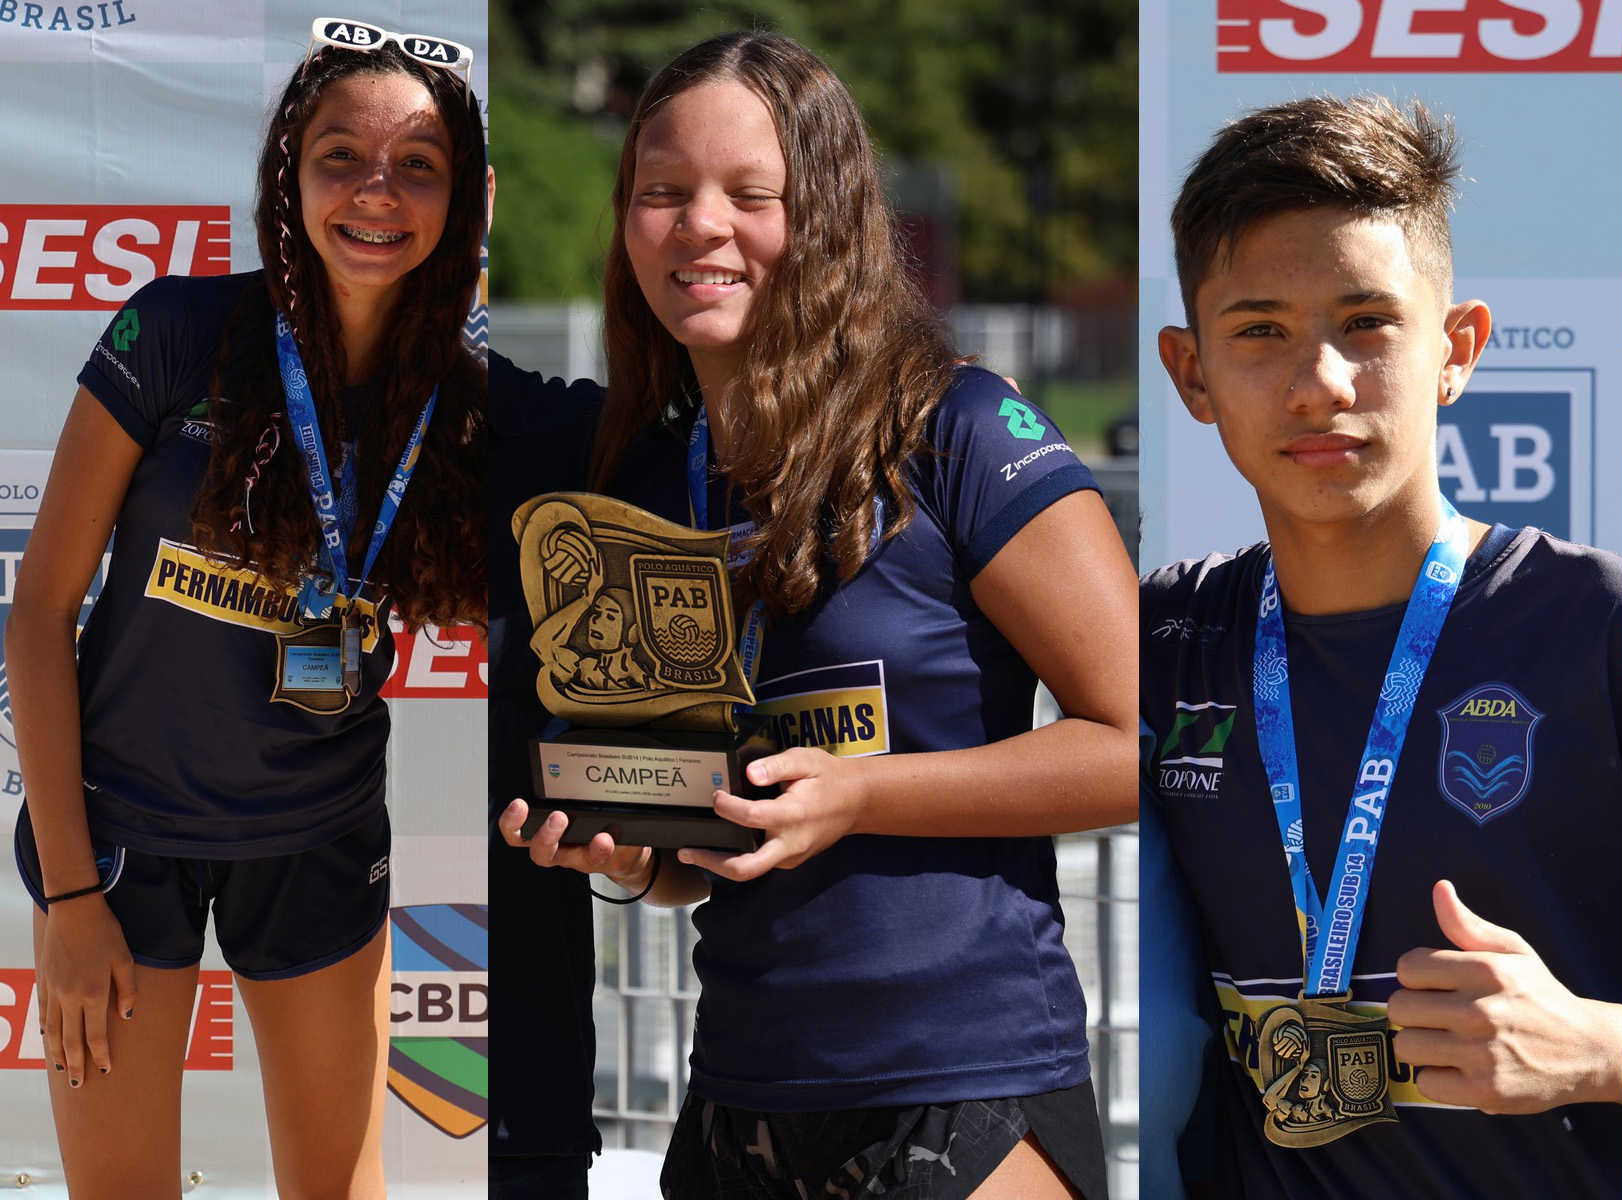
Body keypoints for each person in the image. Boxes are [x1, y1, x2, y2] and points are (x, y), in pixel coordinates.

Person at [493, 31, 1136, 1200]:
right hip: (742, 1099)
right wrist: (635, 858)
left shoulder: (960, 429)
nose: (699, 226)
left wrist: (863, 794)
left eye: (750, 195)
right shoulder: (642, 481)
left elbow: (1146, 746)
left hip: (964, 1084)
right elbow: (727, 842)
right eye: (660, 192)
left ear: (829, 213)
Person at [7, 20, 486, 1197]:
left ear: (461, 197)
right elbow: (37, 616)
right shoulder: (173, 329)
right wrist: (69, 899)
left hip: (317, 837)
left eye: (417, 164)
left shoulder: (467, 407)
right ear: (289, 172)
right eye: (341, 158)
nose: (376, 194)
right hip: (122, 844)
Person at [1141, 96, 1622, 1198]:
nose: (1320, 382)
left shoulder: (1608, 625)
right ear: (1191, 374)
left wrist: (1606, 1051)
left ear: (1455, 350)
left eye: (1366, 322)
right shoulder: (1163, 642)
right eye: (1259, 331)